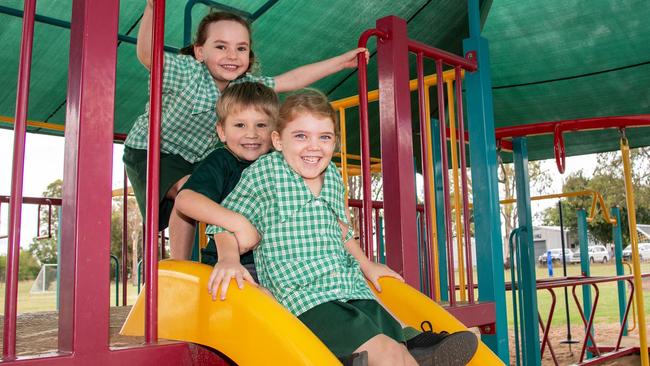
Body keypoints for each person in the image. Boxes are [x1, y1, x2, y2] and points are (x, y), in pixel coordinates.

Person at [205, 90, 478, 366]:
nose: (314, 146)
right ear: (277, 140)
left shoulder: (333, 176)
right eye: (301, 136)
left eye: (324, 137)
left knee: (399, 351)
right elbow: (224, 222)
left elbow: (341, 228)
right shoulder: (266, 173)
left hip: (349, 288)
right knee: (387, 354)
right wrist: (229, 259)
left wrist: (366, 263)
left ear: (334, 142)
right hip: (305, 298)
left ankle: (415, 348)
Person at [123, 0, 369, 260]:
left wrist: (340, 63)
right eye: (221, 47)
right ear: (199, 52)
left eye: (241, 49)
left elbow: (292, 80)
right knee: (190, 192)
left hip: (195, 156)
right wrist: (151, 8)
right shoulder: (187, 71)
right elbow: (148, 55)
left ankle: (227, 255)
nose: (232, 55)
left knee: (211, 192)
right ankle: (180, 264)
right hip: (154, 148)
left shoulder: (244, 85)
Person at [174, 81, 277, 279]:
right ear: (222, 131)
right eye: (240, 125)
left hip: (276, 262)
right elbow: (185, 200)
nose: (252, 134)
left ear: (275, 132)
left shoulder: (279, 164)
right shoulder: (221, 161)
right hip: (231, 259)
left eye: (261, 125)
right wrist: (237, 222)